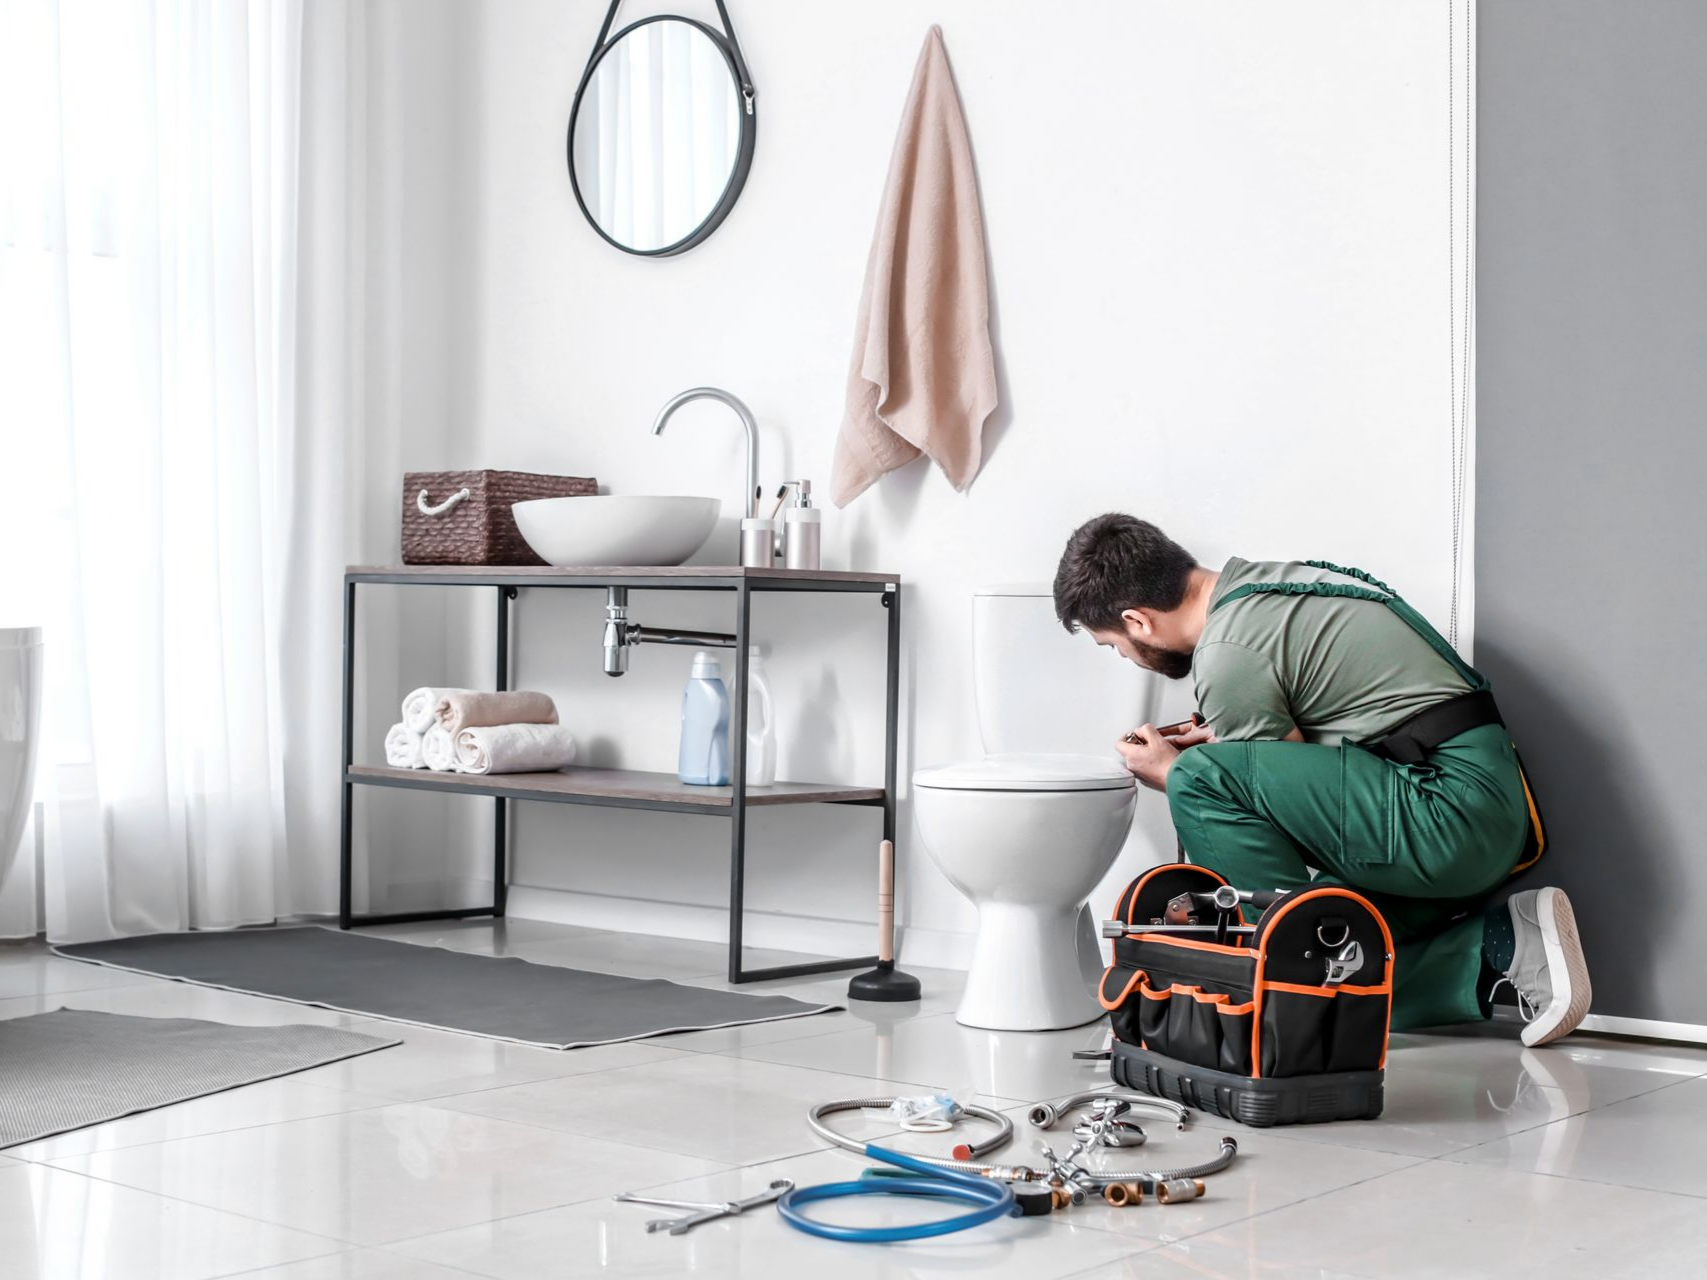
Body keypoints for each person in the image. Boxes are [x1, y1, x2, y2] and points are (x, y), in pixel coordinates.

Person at [1051, 513, 1591, 1045]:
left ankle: (1280, 991)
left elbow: (1269, 811)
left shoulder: (1228, 655)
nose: (1127, 657)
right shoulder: (1273, 584)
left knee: (1201, 781)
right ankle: (1502, 945)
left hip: (1446, 820)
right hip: (1478, 809)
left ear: (1138, 621)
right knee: (1345, 960)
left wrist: (1173, 773)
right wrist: (1230, 744)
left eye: (1114, 645)